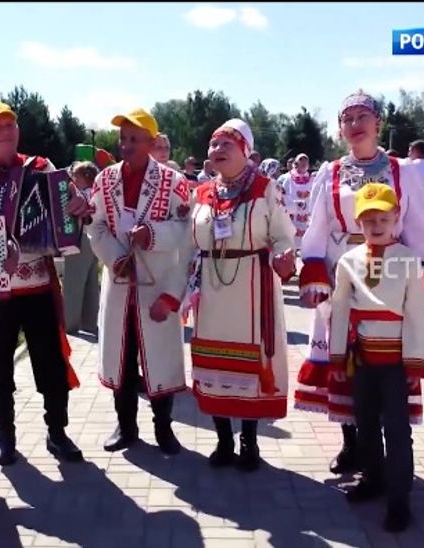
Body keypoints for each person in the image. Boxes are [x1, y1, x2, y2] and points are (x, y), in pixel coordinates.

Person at [294, 90, 424, 475]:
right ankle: (352, 444)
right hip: (343, 270)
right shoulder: (331, 171)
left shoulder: (402, 171)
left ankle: (388, 450)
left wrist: (420, 281)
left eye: (362, 117)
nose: (355, 126)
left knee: (382, 357)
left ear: (378, 124)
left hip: (390, 273)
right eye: (347, 119)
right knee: (340, 352)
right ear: (340, 129)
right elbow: (317, 226)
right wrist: (313, 271)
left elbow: (419, 231)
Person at [0, 102, 88, 466]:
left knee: (51, 366)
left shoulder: (41, 168)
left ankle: (57, 433)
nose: (6, 131)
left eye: (11, 124)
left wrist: (77, 203)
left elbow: (70, 206)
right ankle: (7, 437)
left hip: (39, 286)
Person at [179, 119, 295, 471]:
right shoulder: (201, 193)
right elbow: (188, 245)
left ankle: (249, 442)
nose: (217, 151)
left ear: (246, 150)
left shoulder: (265, 188)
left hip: (251, 286)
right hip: (212, 289)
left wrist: (284, 254)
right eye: (213, 145)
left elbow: (284, 234)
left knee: (249, 366)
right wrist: (186, 288)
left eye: (226, 144)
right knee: (213, 364)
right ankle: (223, 441)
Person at [87, 108, 191, 455]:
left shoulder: (174, 182)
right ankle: (126, 426)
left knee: (160, 358)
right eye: (123, 139)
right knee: (122, 357)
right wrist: (117, 258)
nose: (126, 145)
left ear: (151, 142)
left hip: (157, 284)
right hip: (119, 286)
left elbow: (185, 233)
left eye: (134, 139)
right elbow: (96, 226)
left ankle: (164, 429)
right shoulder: (105, 180)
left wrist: (152, 234)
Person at [330, 183, 424, 532]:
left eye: (383, 218)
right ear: (358, 222)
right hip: (362, 358)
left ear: (396, 218)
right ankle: (373, 478)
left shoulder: (409, 260)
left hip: (396, 361)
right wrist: (338, 357)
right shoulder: (348, 261)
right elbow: (340, 310)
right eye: (368, 219)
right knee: (365, 422)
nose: (376, 225)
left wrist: (415, 362)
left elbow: (416, 313)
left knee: (398, 430)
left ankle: (399, 499)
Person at [62, 161, 101, 336]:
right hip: (94, 241)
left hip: (80, 240)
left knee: (73, 283)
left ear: (85, 177)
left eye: (75, 175)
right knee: (91, 282)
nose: (73, 178)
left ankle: (69, 323)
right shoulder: (97, 193)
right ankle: (89, 322)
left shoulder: (81, 195)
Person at [281, 153, 315, 249]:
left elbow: (315, 197)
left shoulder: (312, 180)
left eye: (306, 162)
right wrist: (294, 205)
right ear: (296, 164)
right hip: (291, 219)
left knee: (307, 248)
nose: (304, 164)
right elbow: (282, 198)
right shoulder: (286, 179)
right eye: (301, 161)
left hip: (307, 219)